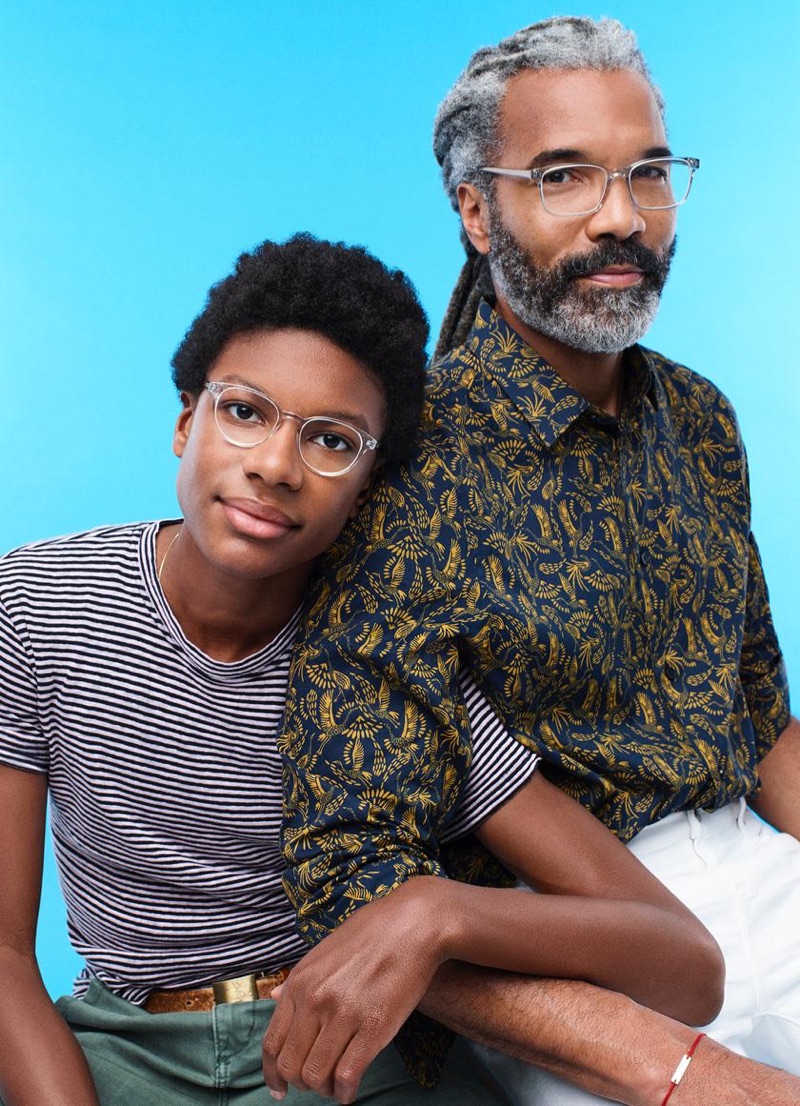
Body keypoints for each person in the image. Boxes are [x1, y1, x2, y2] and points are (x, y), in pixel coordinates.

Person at [0, 232, 730, 1106]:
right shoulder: (39, 604)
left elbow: (683, 963)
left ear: (370, 481)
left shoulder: (388, 664)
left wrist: (436, 911)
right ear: (185, 421)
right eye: (244, 412)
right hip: (122, 1046)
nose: (274, 466)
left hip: (349, 1050)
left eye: (333, 441)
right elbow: (5, 949)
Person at [267, 16, 800, 1106]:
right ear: (474, 209)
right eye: (562, 177)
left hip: (763, 875)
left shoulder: (699, 418)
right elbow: (349, 867)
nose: (620, 217)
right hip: (571, 957)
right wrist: (675, 1069)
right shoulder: (396, 465)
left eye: (647, 173)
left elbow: (763, 725)